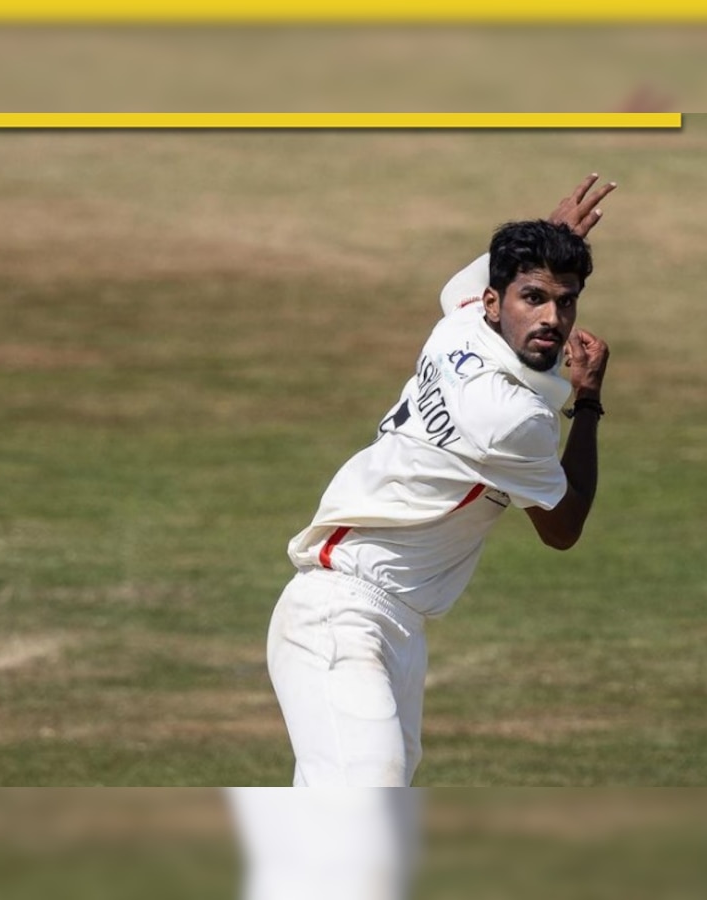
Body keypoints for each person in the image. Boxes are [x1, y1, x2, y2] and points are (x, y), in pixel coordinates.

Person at [266, 175, 616, 787]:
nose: (552, 319)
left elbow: (460, 285)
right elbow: (563, 528)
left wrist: (551, 234)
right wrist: (587, 401)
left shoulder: (459, 324)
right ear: (493, 302)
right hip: (341, 610)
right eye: (532, 298)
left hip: (394, 624)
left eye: (566, 301)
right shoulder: (511, 421)